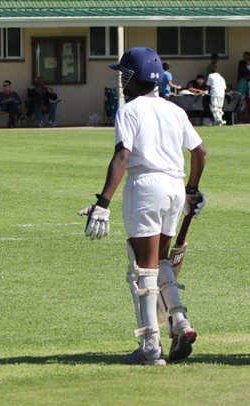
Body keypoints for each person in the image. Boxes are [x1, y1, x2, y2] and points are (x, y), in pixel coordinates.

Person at [78, 47, 207, 366]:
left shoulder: (129, 110)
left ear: (134, 79)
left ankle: (150, 346)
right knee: (160, 262)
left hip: (145, 186)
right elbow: (200, 152)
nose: (121, 80)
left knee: (142, 269)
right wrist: (191, 190)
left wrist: (103, 202)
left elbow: (123, 155)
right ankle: (179, 323)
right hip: (175, 188)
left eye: (124, 74)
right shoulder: (174, 110)